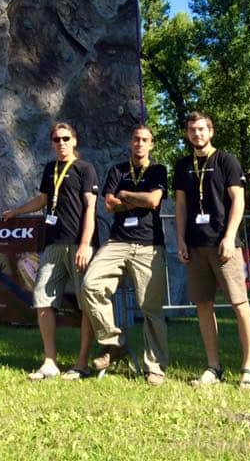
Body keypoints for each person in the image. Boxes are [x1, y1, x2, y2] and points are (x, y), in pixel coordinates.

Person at [3, 122, 98, 380]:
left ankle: (81, 363)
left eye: (66, 138)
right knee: (43, 297)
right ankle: (49, 361)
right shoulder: (50, 168)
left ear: (75, 141)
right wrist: (16, 211)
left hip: (78, 244)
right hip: (52, 243)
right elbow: (43, 200)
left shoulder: (85, 169)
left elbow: (91, 207)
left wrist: (86, 243)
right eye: (56, 140)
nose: (61, 143)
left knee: (86, 303)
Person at [174, 111, 250, 389]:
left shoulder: (226, 160)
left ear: (211, 132)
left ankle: (248, 368)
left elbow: (238, 200)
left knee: (239, 304)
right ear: (187, 134)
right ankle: (214, 366)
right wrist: (181, 240)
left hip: (224, 246)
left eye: (201, 129)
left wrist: (230, 237)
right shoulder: (183, 165)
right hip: (196, 246)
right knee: (203, 306)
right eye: (191, 130)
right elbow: (182, 206)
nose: (196, 134)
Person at [81, 125, 169, 385]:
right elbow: (109, 204)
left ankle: (155, 366)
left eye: (145, 140)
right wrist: (132, 201)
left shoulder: (158, 170)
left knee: (150, 307)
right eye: (136, 139)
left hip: (148, 244)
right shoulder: (118, 170)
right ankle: (113, 342)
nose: (140, 144)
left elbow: (154, 201)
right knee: (90, 284)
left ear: (151, 144)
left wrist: (126, 195)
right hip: (117, 242)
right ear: (130, 143)